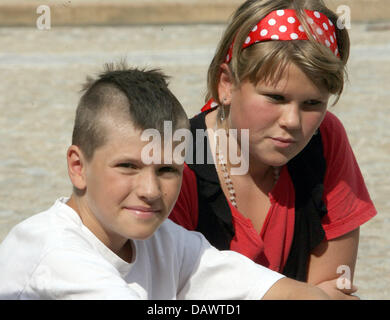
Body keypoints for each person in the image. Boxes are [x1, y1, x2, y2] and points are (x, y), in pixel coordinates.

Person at [0, 63, 329, 300]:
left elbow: (268, 291)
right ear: (78, 166)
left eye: (167, 170)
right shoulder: (54, 254)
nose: (150, 191)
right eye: (128, 166)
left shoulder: (166, 242)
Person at [169, 0, 377, 299]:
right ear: (226, 83)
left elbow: (336, 286)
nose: (292, 122)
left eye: (312, 103)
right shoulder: (176, 161)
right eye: (275, 98)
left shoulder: (325, 138)